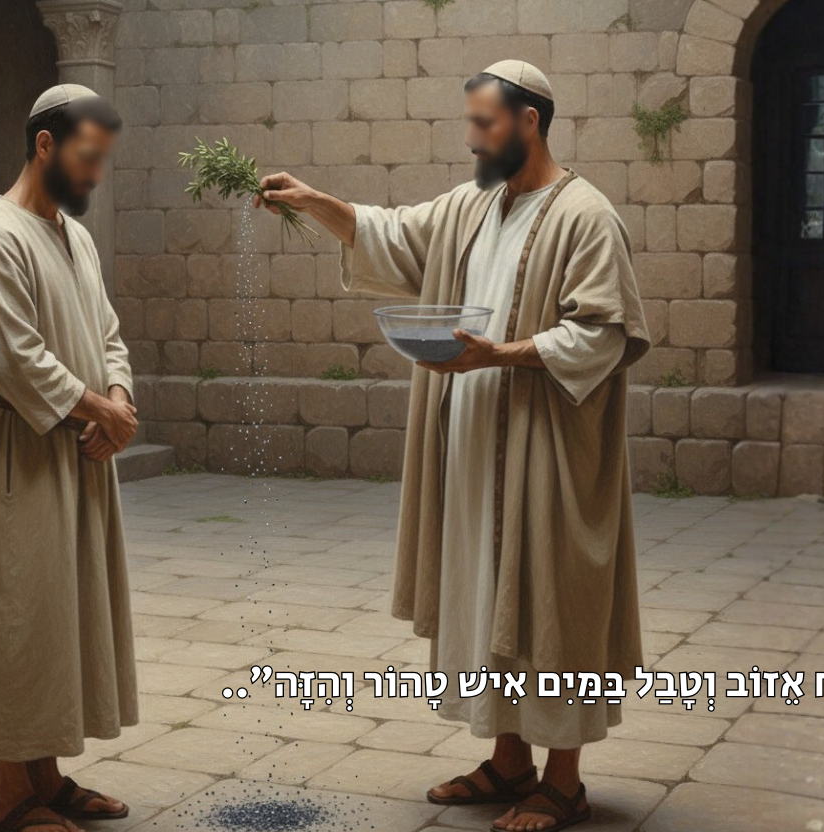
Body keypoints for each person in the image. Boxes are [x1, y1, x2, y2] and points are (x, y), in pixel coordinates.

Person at [255, 60, 649, 832]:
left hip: (546, 456)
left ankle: (563, 782)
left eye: (484, 123)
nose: (472, 138)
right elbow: (391, 232)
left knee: (553, 607)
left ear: (529, 121)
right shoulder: (472, 207)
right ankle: (509, 761)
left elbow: (603, 334)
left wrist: (501, 355)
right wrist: (313, 202)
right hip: (473, 452)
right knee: (490, 597)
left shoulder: (586, 216)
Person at [0, 84, 138, 832]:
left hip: (80, 452)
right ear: (46, 145)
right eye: (87, 159)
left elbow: (107, 331)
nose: (95, 175)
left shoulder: (73, 236)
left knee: (60, 617)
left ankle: (47, 779)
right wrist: (100, 411)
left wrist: (117, 399)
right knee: (18, 616)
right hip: (19, 459)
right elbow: (14, 359)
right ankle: (10, 793)